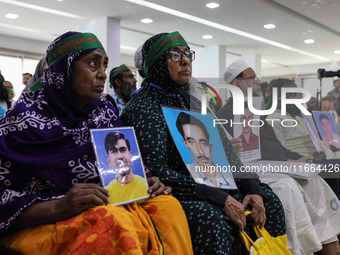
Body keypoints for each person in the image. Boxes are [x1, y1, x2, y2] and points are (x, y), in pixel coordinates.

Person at [0, 31, 193, 255]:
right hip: (45, 217)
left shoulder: (103, 111)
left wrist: (146, 181)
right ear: (64, 70)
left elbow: (123, 168)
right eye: (93, 64)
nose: (102, 74)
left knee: (168, 207)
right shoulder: (21, 122)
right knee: (111, 220)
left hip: (104, 204)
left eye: (104, 65)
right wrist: (59, 206)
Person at [121, 31, 287, 254]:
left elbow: (228, 154)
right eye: (175, 55)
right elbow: (157, 171)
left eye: (187, 54)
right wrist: (221, 198)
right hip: (180, 193)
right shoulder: (144, 107)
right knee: (210, 219)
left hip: (215, 186)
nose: (185, 60)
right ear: (158, 62)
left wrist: (253, 189)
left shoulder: (191, 101)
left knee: (269, 202)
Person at [217, 60, 340, 255]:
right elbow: (247, 156)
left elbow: (275, 146)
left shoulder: (256, 111)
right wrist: (288, 163)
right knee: (287, 185)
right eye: (252, 78)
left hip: (276, 165)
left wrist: (297, 158)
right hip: (253, 170)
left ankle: (326, 237)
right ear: (237, 84)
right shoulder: (225, 114)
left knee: (314, 178)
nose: (259, 83)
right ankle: (300, 245)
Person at [176, 112, 231, 188]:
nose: (200, 151)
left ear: (210, 146)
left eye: (203, 143)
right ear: (186, 144)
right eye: (192, 142)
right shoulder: (185, 175)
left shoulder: (229, 174)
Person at [104, 131, 149, 205]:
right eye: (114, 151)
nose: (119, 156)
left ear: (130, 155)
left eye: (122, 150)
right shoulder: (107, 194)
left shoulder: (146, 186)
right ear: (109, 160)